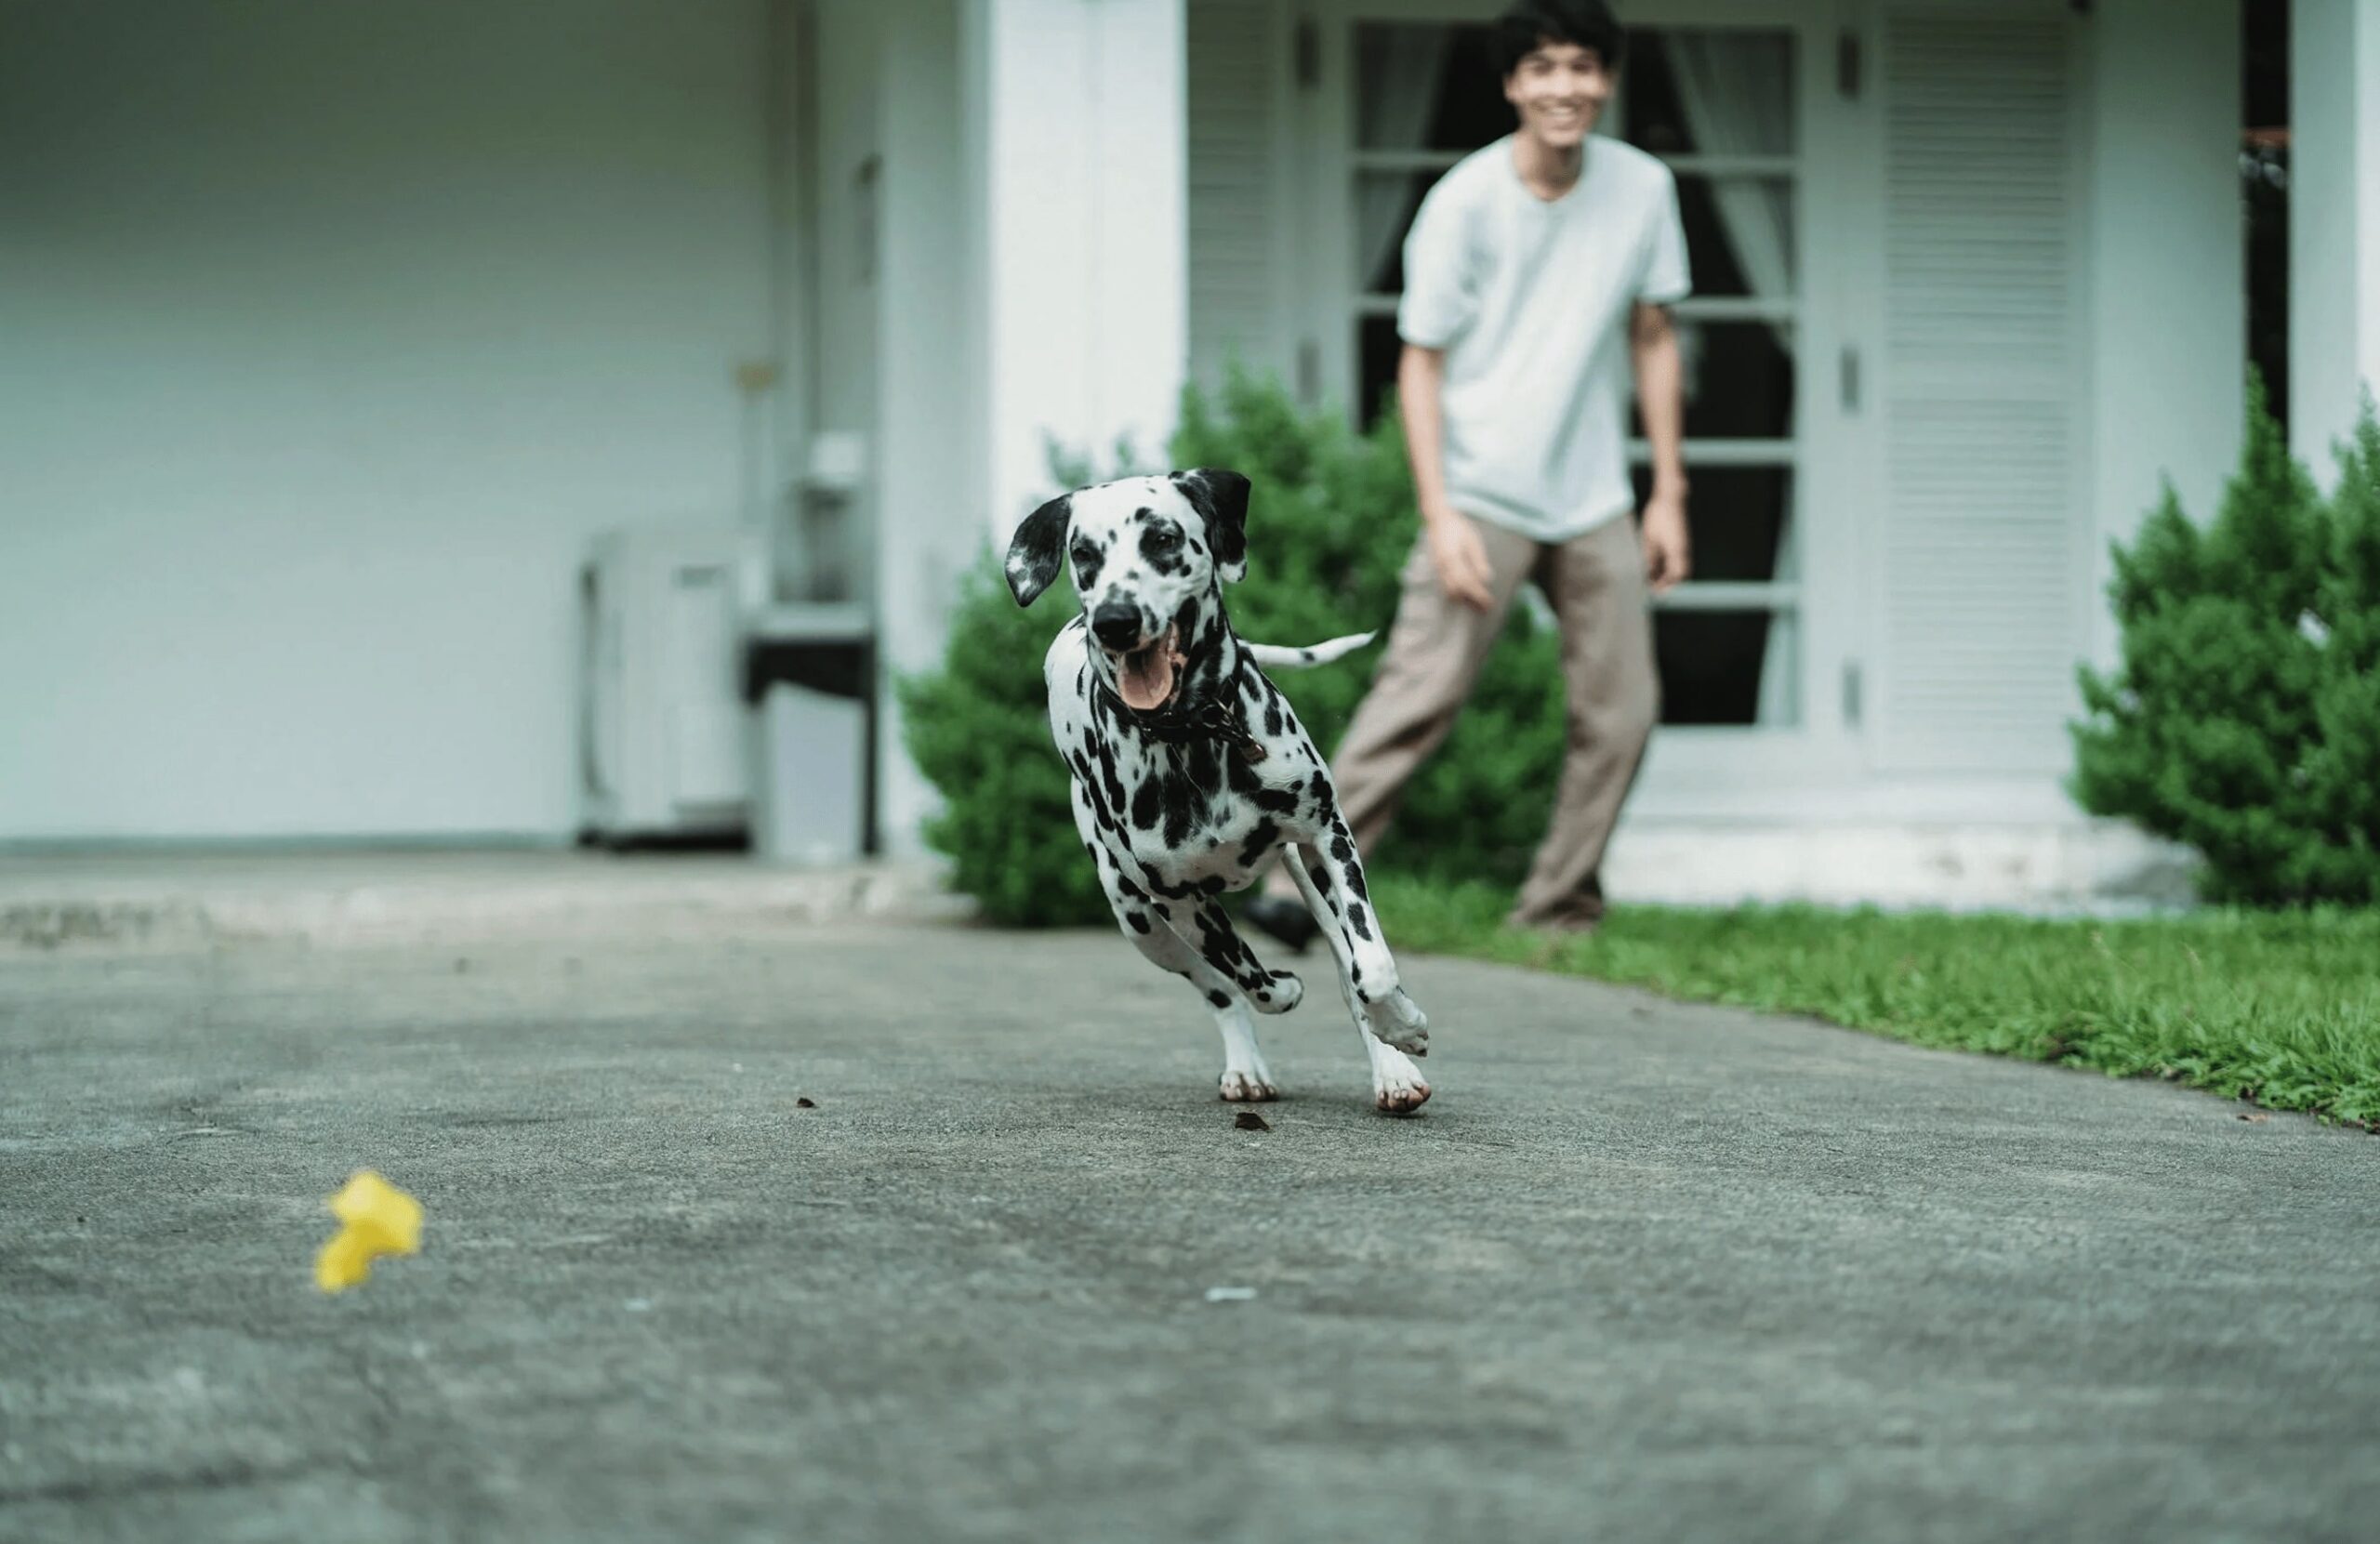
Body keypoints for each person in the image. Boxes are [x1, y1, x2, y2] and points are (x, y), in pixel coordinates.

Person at [1246, 0, 1689, 947]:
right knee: (1418, 697)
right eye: (1542, 68)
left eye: (1581, 66)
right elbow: (1421, 361)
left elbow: (1653, 335)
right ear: (1511, 85)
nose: (1563, 85)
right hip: (1482, 487)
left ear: (1604, 79)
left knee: (1624, 712)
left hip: (1595, 493)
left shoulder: (1643, 189)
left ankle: (1557, 906)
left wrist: (1670, 493)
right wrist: (1440, 513)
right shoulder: (1464, 200)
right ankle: (1299, 886)